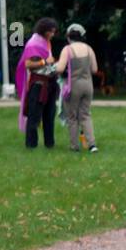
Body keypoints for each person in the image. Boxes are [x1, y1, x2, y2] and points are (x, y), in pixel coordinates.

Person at [15, 17, 59, 149]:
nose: (52, 34)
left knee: (49, 115)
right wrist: (45, 62)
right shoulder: (33, 43)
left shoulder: (46, 42)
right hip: (38, 84)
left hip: (50, 83)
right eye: (50, 32)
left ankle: (49, 144)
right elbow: (28, 64)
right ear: (43, 30)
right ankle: (31, 145)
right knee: (34, 116)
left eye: (53, 32)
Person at [55, 24, 99, 153]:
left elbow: (60, 69)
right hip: (88, 85)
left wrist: (54, 66)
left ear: (69, 37)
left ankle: (74, 146)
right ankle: (92, 145)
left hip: (73, 86)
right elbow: (95, 69)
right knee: (85, 115)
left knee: (72, 116)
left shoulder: (67, 50)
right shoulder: (89, 49)